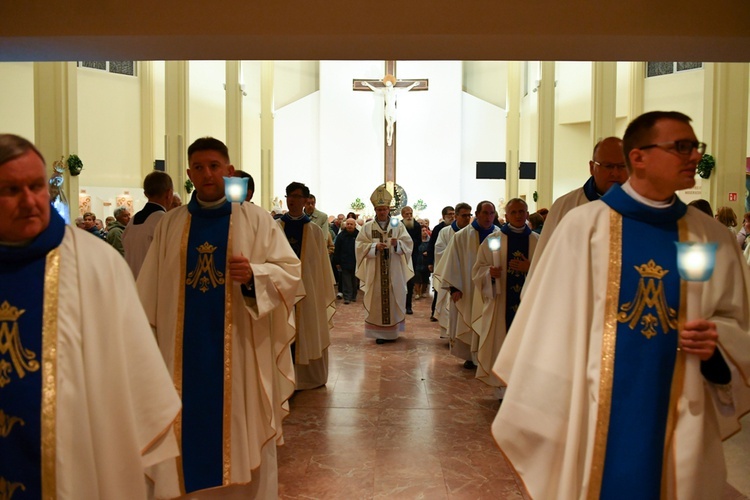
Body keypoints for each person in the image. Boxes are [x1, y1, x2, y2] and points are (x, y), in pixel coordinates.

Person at [491, 111, 750, 498]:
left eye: (696, 147)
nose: (694, 156)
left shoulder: (709, 237)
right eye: (680, 147)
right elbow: (549, 326)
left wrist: (716, 348)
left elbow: (735, 324)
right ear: (639, 157)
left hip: (684, 412)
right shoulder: (583, 229)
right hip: (593, 412)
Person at [0, 134, 180, 499]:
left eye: (36, 186)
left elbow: (137, 385)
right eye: (10, 189)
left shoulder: (95, 264)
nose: (30, 201)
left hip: (78, 465)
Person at [136, 137, 301, 498]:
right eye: (199, 167)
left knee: (241, 430)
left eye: (214, 166)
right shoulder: (170, 225)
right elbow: (148, 293)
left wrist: (255, 275)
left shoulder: (256, 220)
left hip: (239, 351)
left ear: (228, 171)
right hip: (181, 357)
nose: (206, 174)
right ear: (189, 174)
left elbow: (290, 272)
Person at [529, 136, 628, 276]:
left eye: (622, 166)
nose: (616, 173)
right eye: (608, 166)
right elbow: (544, 262)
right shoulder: (565, 207)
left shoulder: (643, 208)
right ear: (592, 167)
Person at [471, 198, 538, 399]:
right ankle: (502, 389)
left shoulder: (537, 241)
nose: (518, 215)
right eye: (514, 212)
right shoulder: (493, 240)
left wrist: (530, 268)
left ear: (527, 214)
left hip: (529, 307)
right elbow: (477, 270)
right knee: (502, 342)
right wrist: (488, 273)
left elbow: (551, 271)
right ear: (506, 216)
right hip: (501, 304)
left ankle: (524, 389)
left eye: (521, 211)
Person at [278, 181, 336, 390]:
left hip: (308, 294)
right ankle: (283, 375)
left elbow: (321, 268)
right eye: (289, 196)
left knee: (308, 329)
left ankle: (306, 377)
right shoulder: (276, 228)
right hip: (281, 294)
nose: (292, 200)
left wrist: (321, 293)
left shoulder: (314, 232)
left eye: (296, 196)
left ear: (305, 200)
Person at [436, 201, 500, 367]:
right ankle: (471, 357)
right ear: (477, 215)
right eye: (484, 213)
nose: (488, 217)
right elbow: (452, 262)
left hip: (492, 289)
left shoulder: (500, 235)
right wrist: (454, 287)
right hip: (468, 289)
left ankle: (488, 355)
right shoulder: (461, 236)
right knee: (470, 318)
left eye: (491, 213)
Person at [355, 185, 414, 343]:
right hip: (375, 271)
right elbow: (359, 246)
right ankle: (379, 334)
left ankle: (393, 332)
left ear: (389, 209)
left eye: (385, 209)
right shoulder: (367, 227)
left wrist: (397, 244)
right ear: (375, 210)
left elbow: (408, 244)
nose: (382, 212)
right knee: (376, 298)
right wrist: (374, 247)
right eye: (379, 209)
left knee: (395, 296)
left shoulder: (397, 225)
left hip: (394, 269)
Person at [122, 170, 174, 278]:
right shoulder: (164, 220)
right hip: (152, 286)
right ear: (169, 194)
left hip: (131, 284)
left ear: (145, 193)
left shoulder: (132, 221)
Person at [433, 202, 472, 337]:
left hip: (467, 275)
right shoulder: (445, 232)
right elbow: (438, 251)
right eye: (464, 215)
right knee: (448, 304)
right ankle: (449, 333)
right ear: (456, 216)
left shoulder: (473, 233)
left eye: (469, 215)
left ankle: (463, 334)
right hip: (450, 273)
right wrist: (454, 257)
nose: (467, 218)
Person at [362, 75, 419, 146]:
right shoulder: (384, 91)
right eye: (386, 84)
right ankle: (388, 137)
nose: (387, 86)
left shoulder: (395, 91)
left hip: (393, 109)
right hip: (388, 108)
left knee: (391, 124)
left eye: (388, 84)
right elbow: (375, 89)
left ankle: (390, 137)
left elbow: (405, 90)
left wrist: (413, 84)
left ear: (392, 84)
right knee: (388, 123)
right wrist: (367, 84)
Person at [425, 206, 455, 321]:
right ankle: (435, 312)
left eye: (453, 214)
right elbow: (432, 246)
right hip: (440, 262)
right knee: (438, 287)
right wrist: (430, 261)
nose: (452, 216)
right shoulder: (439, 229)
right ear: (443, 216)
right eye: (449, 215)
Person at [333, 218, 360, 304]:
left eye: (351, 224)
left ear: (355, 225)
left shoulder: (358, 235)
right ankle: (347, 297)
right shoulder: (341, 236)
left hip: (356, 261)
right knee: (346, 280)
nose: (349, 226)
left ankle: (353, 296)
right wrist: (336, 262)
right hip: (344, 261)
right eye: (348, 224)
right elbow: (336, 249)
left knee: (354, 280)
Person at [401, 205, 422, 314]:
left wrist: (408, 243)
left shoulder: (417, 226)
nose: (409, 216)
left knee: (410, 282)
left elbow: (418, 241)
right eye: (407, 214)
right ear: (402, 215)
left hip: (412, 258)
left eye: (410, 214)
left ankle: (408, 306)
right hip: (400, 257)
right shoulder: (398, 225)